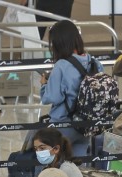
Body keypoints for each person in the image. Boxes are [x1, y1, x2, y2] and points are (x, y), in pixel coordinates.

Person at [40, 19, 104, 155]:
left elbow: (52, 97)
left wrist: (44, 85)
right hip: (86, 125)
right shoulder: (94, 62)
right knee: (76, 167)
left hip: (63, 124)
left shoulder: (61, 66)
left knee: (50, 167)